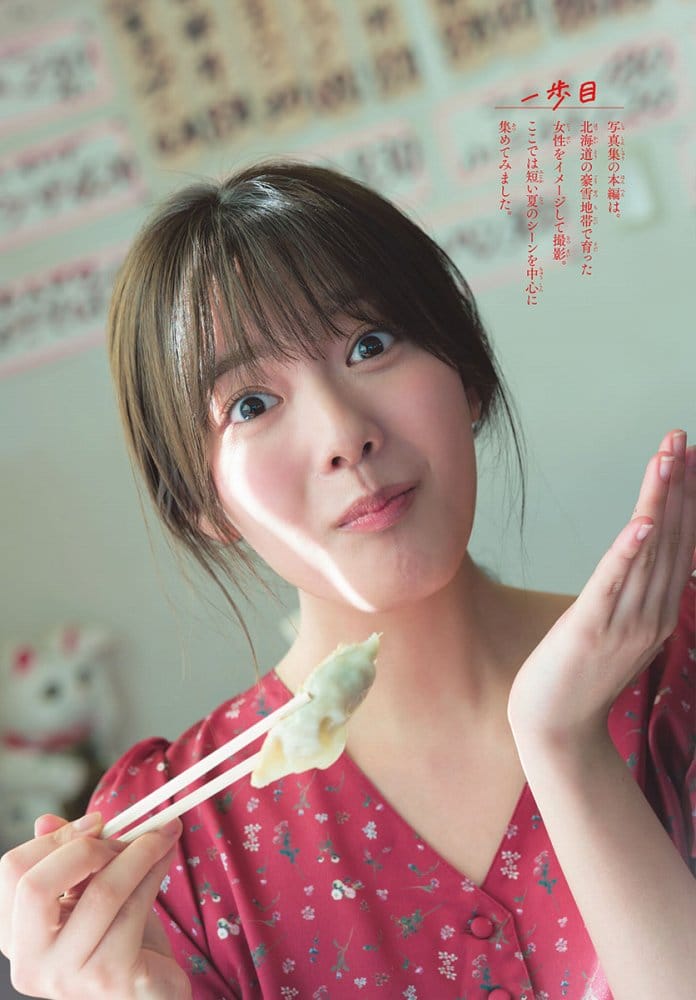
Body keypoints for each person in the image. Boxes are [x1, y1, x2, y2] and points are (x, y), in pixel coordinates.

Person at [0, 162, 694, 1000]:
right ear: (200, 501)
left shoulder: (677, 671)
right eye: (250, 404)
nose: (342, 435)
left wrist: (563, 744)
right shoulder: (159, 855)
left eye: (370, 344)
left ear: (467, 373)